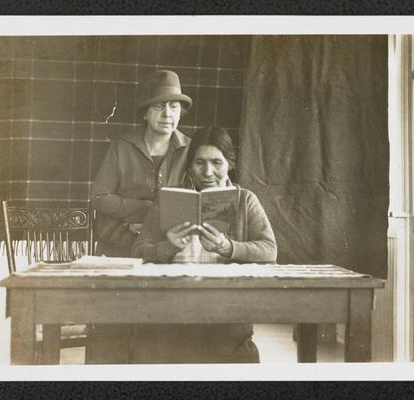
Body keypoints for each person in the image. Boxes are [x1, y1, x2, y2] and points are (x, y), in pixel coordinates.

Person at [130, 125, 277, 363]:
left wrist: (228, 247)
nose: (207, 172)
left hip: (224, 310)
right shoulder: (170, 198)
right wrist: (168, 246)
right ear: (190, 166)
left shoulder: (245, 200)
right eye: (199, 163)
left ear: (230, 163)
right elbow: (138, 251)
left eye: (216, 163)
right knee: (151, 347)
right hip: (172, 307)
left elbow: (269, 250)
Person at [86, 69, 192, 363]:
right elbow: (99, 198)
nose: (167, 114)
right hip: (118, 248)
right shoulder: (122, 146)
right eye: (159, 106)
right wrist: (147, 210)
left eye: (174, 106)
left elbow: (194, 203)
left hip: (165, 252)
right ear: (145, 113)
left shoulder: (189, 149)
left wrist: (155, 223)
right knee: (112, 331)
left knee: (163, 334)